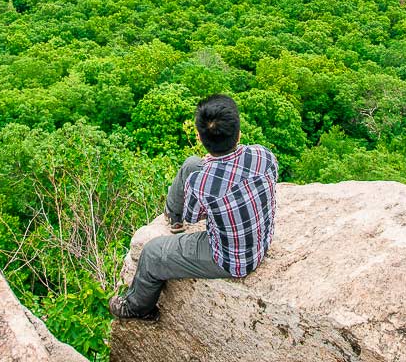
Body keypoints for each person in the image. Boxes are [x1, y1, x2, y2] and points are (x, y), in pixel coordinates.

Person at [109, 94, 279, 321]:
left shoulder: (202, 182)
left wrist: (207, 181)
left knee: (151, 253)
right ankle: (172, 216)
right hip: (261, 240)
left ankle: (137, 309)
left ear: (199, 137)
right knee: (191, 163)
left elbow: (194, 216)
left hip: (232, 260)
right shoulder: (262, 155)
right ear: (238, 133)